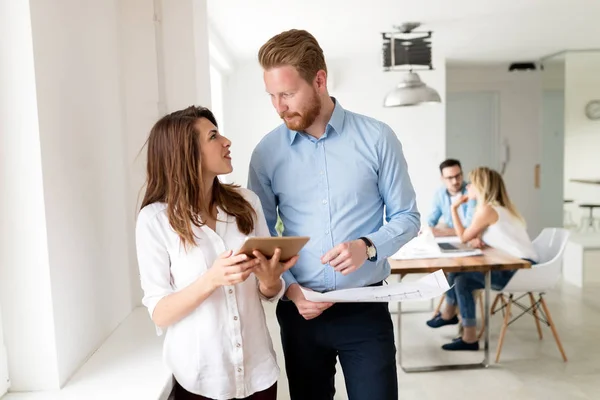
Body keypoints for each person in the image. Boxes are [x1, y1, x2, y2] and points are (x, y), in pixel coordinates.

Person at [248, 29, 420, 400]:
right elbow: (261, 237)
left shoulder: (377, 138)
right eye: (272, 96)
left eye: (288, 94)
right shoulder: (266, 153)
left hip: (365, 311)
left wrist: (368, 246)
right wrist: (292, 290)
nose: (279, 107)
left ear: (320, 80)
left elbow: (408, 216)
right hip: (299, 314)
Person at [136, 106, 297, 400]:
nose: (227, 142)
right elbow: (160, 313)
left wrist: (271, 279)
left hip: (258, 374)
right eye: (213, 136)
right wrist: (211, 279)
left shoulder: (246, 203)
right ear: (187, 153)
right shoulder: (154, 220)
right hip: (200, 380)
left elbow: (268, 292)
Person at [426, 167, 538, 351]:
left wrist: (454, 208)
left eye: (472, 183)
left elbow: (463, 237)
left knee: (462, 279)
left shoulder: (486, 209)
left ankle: (462, 330)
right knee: (457, 273)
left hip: (519, 270)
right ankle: (452, 318)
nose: (467, 186)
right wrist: (481, 239)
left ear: (481, 186)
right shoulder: (499, 208)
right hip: (525, 267)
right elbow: (493, 236)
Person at [427, 159, 477, 237]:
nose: (455, 181)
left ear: (462, 174)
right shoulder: (440, 195)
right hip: (454, 238)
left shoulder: (471, 191)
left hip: (471, 237)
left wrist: (443, 232)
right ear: (442, 179)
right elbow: (431, 221)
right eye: (450, 178)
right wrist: (427, 230)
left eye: (457, 176)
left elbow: (470, 228)